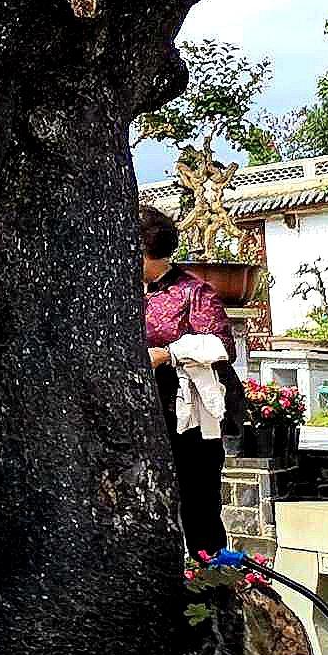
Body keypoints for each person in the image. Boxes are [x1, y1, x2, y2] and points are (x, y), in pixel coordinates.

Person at [140, 205, 236, 556]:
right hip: (140, 415)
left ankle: (209, 583)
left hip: (187, 419)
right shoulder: (121, 294)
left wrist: (166, 355)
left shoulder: (193, 292)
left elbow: (223, 345)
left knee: (198, 504)